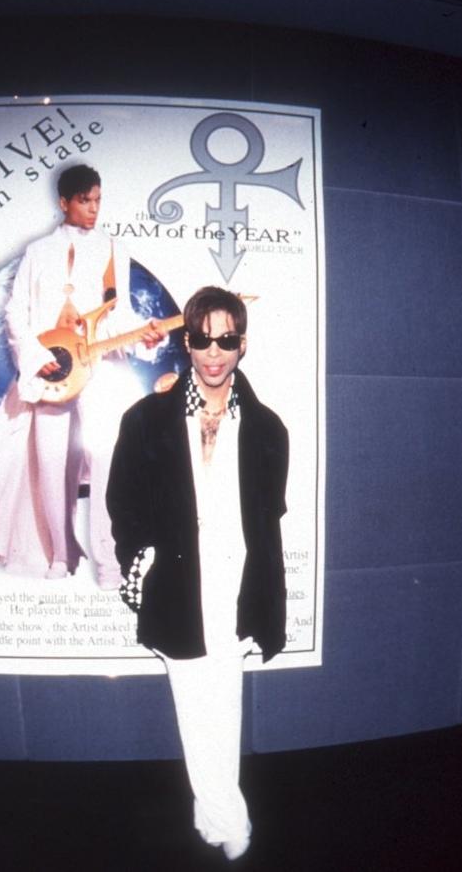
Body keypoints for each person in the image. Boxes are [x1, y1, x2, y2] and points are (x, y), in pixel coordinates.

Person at [107, 286, 289, 862]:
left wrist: (266, 595)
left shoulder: (267, 430)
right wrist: (147, 564)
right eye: (203, 339)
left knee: (223, 704)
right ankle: (229, 822)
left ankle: (213, 815)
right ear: (186, 342)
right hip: (179, 588)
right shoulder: (145, 421)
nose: (215, 353)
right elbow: (122, 506)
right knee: (197, 706)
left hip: (236, 586)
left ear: (243, 342)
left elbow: (269, 521)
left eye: (227, 340)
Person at [0, 165, 163, 585]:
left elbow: (118, 312)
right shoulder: (38, 251)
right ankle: (58, 555)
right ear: (64, 202)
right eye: (85, 200)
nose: (93, 209)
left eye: (98, 199)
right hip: (53, 367)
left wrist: (143, 338)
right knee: (50, 461)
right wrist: (35, 354)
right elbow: (16, 311)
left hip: (99, 366)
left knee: (106, 457)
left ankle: (110, 562)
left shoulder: (112, 250)